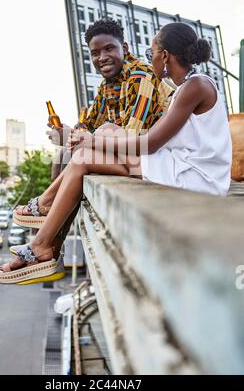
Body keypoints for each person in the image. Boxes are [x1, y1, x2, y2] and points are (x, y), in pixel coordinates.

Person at [0, 22, 232, 285]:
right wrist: (86, 138)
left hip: (196, 179)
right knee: (93, 146)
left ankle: (43, 233)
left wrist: (90, 140)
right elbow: (140, 138)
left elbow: (148, 143)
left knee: (92, 147)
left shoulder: (196, 86)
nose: (148, 58)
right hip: (178, 167)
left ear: (164, 55)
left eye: (150, 52)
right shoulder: (185, 87)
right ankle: (44, 240)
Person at [12, 19, 173, 248]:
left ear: (125, 49)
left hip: (150, 157)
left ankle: (46, 229)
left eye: (109, 49)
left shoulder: (140, 76)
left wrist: (83, 138)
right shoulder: (107, 85)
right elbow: (85, 125)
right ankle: (50, 243)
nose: (102, 57)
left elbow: (130, 136)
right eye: (95, 53)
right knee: (62, 157)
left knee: (88, 147)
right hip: (130, 154)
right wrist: (67, 133)